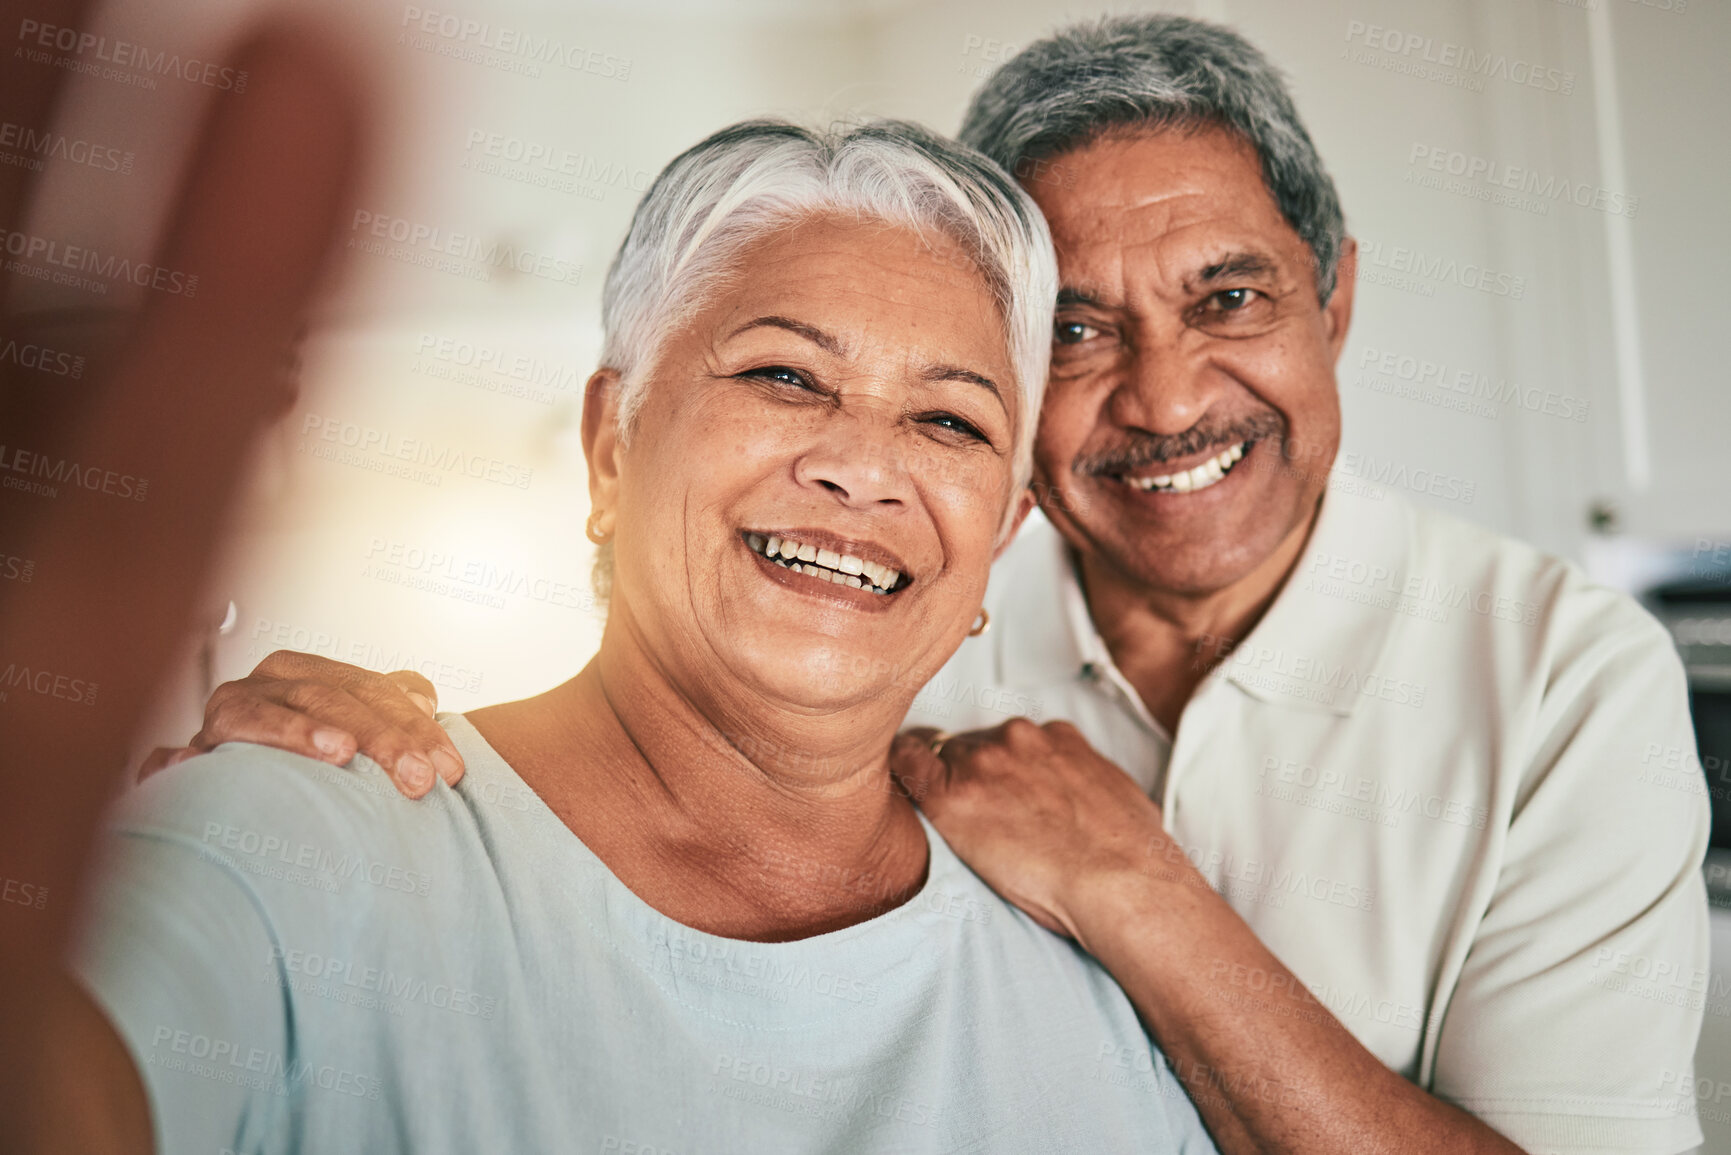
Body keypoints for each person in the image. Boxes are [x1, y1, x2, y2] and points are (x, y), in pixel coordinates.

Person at [177, 15, 1710, 1155]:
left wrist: (1140, 897)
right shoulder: (869, 637)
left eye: (1226, 297)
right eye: (1080, 334)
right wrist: (300, 755)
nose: (1168, 397)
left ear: (1337, 298)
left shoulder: (1562, 681)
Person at [62, 118, 1222, 1154]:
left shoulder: (1096, 989)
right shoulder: (294, 835)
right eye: (783, 373)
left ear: (1003, 535)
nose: (863, 466)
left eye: (947, 419)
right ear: (611, 447)